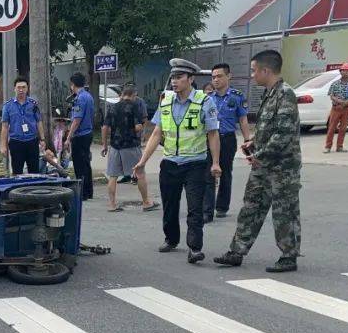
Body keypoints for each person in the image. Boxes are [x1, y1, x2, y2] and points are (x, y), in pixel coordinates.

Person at [214, 49, 302, 273]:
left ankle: (288, 256)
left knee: (284, 211)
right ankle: (237, 251)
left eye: (254, 71)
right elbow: (269, 129)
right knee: (251, 206)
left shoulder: (285, 94)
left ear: (266, 70)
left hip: (282, 167)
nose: (252, 75)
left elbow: (284, 134)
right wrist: (253, 142)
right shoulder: (269, 93)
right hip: (263, 164)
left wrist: (258, 155)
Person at [132, 58, 222, 264]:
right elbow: (157, 133)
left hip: (196, 164)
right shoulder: (166, 101)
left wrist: (215, 162)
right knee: (170, 206)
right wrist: (143, 160)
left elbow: (213, 133)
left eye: (179, 77)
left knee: (194, 208)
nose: (174, 81)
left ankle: (195, 247)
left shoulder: (204, 101)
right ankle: (171, 239)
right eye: (173, 77)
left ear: (190, 79)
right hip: (170, 163)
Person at [202, 63, 251, 221]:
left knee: (225, 173)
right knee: (208, 173)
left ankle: (222, 206)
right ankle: (207, 210)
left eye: (219, 76)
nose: (216, 80)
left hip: (228, 138)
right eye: (213, 77)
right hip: (209, 139)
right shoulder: (207, 98)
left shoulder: (237, 96)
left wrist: (247, 139)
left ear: (228, 76)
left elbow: (243, 120)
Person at [101, 84, 156, 212]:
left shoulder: (112, 107)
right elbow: (138, 127)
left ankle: (112, 204)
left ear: (122, 94)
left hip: (115, 146)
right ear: (133, 95)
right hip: (130, 145)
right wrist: (140, 129)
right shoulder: (135, 106)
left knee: (113, 176)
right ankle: (146, 202)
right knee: (140, 173)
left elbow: (104, 127)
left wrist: (104, 144)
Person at [0, 77, 45, 175]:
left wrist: (42, 139)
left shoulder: (33, 104)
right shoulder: (8, 106)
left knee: (34, 172)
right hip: (16, 142)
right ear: (14, 89)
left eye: (23, 87)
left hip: (32, 142)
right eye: (19, 87)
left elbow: (39, 122)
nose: (21, 90)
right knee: (17, 172)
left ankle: (33, 189)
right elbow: (5, 126)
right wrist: (3, 146)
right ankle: (18, 190)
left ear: (27, 88)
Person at [63, 73, 95, 201]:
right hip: (88, 133)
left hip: (80, 135)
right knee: (86, 163)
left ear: (72, 85)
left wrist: (68, 137)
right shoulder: (89, 96)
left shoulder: (79, 98)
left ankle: (82, 193)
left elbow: (76, 120)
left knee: (79, 165)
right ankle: (88, 191)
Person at [324, 62, 348, 153]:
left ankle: (339, 146)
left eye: (346, 71)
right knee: (331, 128)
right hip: (336, 108)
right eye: (342, 70)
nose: (344, 72)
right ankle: (328, 146)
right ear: (340, 71)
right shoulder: (335, 84)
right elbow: (331, 95)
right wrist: (340, 102)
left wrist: (346, 103)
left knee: (343, 128)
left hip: (347, 108)